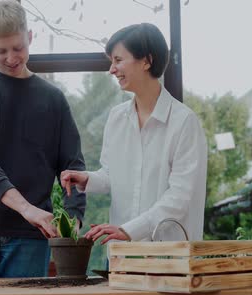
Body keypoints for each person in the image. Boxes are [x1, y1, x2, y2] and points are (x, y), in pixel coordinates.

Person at [0, 0, 85, 278]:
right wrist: (26, 209)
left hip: (30, 235)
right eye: (1, 50)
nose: (11, 57)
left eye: (18, 47)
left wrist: (74, 217)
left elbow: (72, 165)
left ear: (30, 36)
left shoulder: (53, 99)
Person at [60, 23, 207, 244]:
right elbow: (111, 174)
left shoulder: (184, 122)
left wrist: (131, 230)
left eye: (118, 60)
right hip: (123, 253)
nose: (111, 69)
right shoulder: (117, 118)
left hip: (168, 255)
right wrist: (87, 179)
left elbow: (180, 197)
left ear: (146, 61)